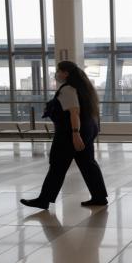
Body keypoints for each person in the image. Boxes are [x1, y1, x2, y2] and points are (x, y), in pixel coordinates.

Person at [20, 61, 108, 210]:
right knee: (88, 164)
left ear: (65, 73)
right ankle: (99, 197)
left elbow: (74, 112)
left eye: (58, 71)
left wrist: (75, 134)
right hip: (87, 129)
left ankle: (43, 200)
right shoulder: (83, 88)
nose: (56, 74)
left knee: (57, 165)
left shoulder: (67, 89)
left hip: (69, 133)